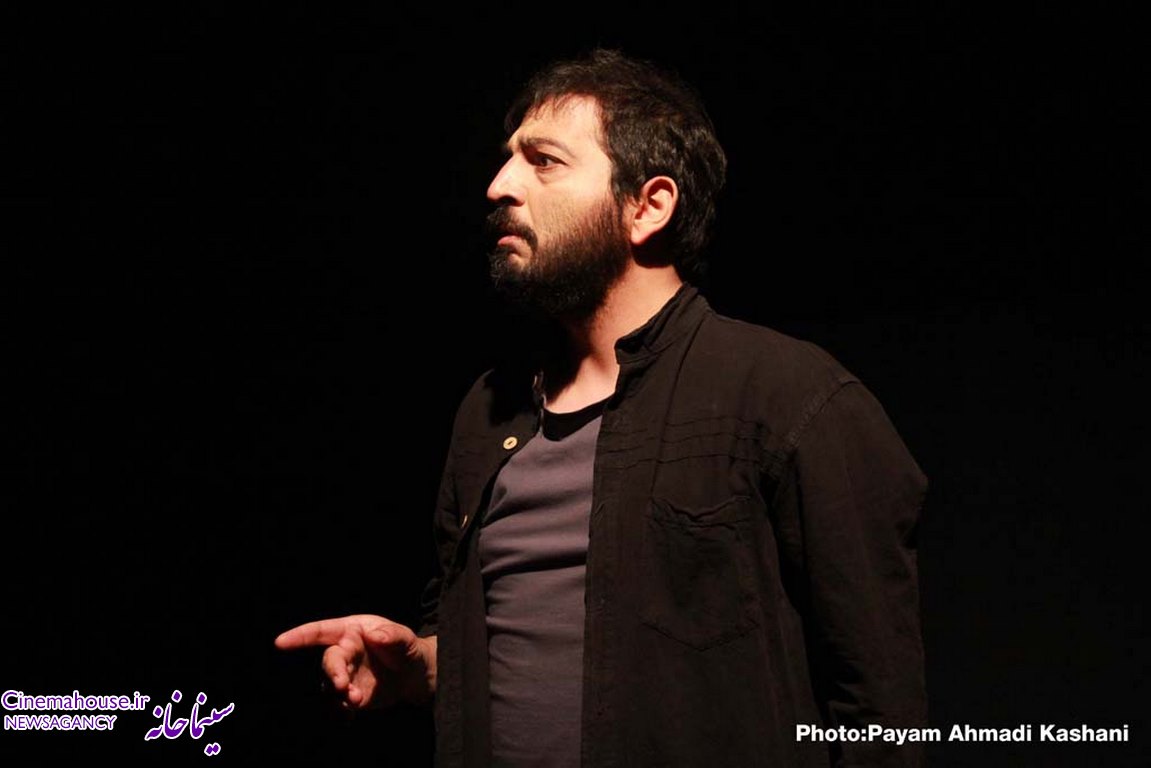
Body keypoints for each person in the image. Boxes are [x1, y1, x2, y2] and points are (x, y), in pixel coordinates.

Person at [277, 48, 929, 767]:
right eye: (507, 160)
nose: (499, 185)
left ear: (647, 207)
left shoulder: (788, 395)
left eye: (544, 161)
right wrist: (424, 668)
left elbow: (882, 715)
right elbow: (475, 638)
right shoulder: (487, 412)